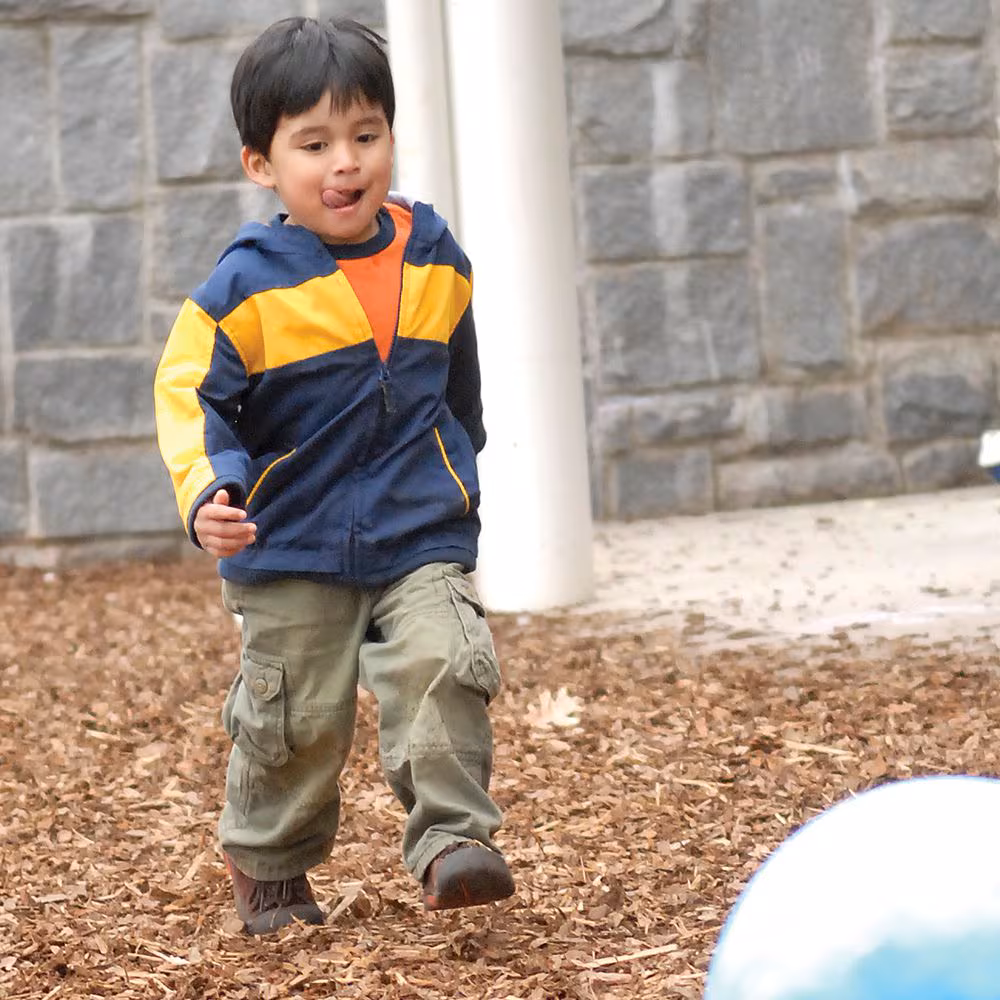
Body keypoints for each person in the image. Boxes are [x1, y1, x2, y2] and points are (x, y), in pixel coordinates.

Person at [153, 16, 513, 935]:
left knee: (445, 662)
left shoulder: (437, 259)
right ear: (261, 165)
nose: (344, 162)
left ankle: (451, 844)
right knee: (297, 717)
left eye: (365, 135)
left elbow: (456, 392)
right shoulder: (247, 285)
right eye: (312, 144)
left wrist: (457, 470)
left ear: (391, 136)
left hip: (416, 529)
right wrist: (210, 491)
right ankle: (270, 862)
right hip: (291, 539)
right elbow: (191, 392)